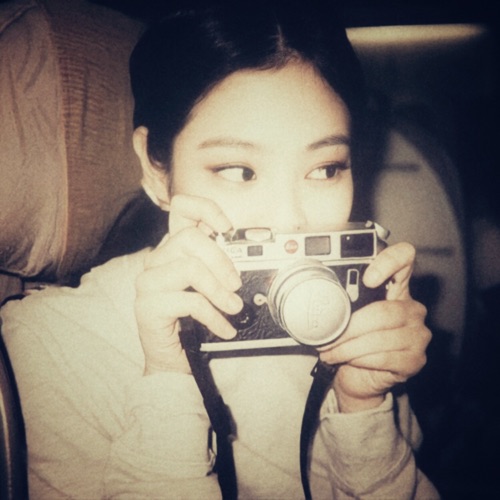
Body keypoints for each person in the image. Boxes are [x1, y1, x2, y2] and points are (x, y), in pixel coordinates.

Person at [1, 1, 439, 498]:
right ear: (155, 168)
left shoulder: (347, 311)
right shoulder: (51, 342)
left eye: (325, 169)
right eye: (238, 170)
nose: (289, 220)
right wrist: (168, 381)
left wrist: (363, 409)